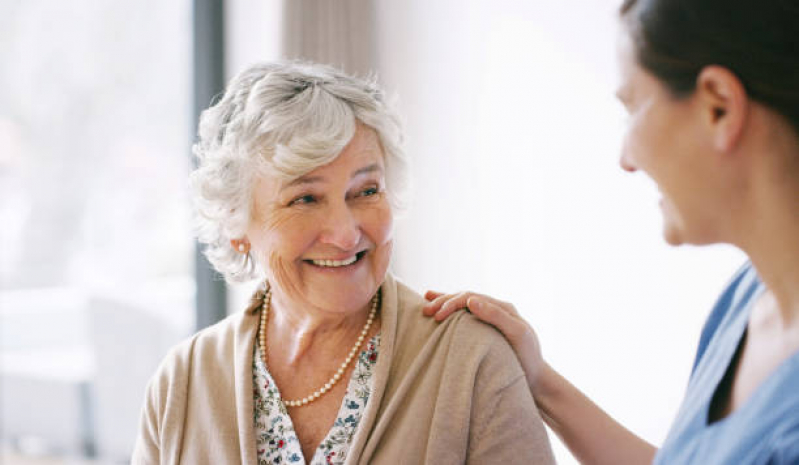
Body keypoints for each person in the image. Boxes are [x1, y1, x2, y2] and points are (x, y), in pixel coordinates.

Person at [423, 0, 799, 463]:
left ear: (718, 106)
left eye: (633, 107)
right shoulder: (744, 301)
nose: (627, 158)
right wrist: (539, 380)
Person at [132, 62, 554, 464]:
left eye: (366, 190)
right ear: (235, 223)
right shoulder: (182, 383)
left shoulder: (471, 360)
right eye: (305, 198)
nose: (345, 233)